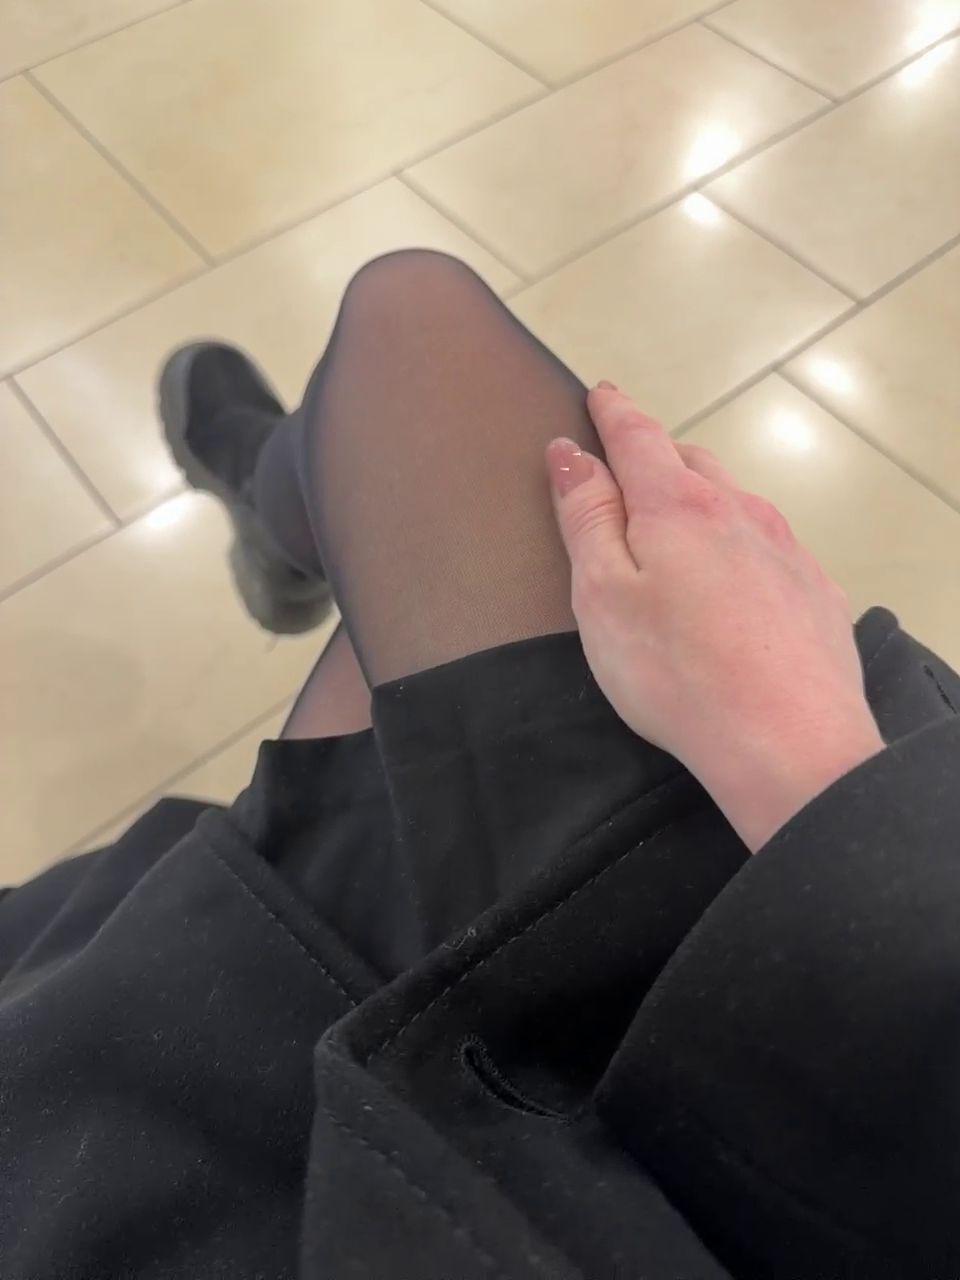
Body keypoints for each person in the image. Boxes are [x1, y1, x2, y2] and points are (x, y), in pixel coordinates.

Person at [1, 249, 959, 1280]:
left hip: (520, 1185)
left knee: (412, 334)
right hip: (887, 973)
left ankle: (283, 504)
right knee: (421, 370)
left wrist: (803, 757)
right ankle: (288, 512)